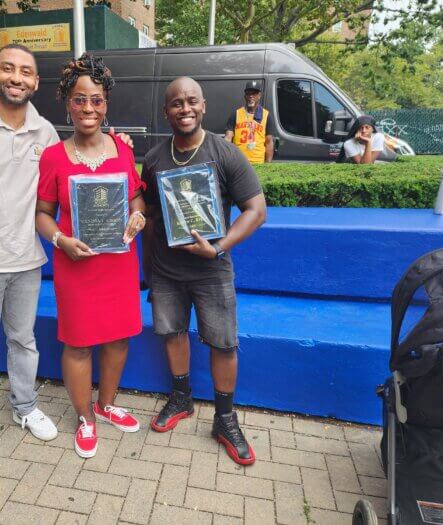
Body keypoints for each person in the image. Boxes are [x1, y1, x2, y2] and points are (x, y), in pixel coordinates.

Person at [0, 44, 134, 471]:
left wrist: (120, 144)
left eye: (25, 72)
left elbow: (108, 177)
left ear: (37, 83)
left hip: (25, 261)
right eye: (8, 69)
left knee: (24, 343)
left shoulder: (44, 133)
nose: (16, 78)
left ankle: (24, 407)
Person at [142, 77, 267, 465]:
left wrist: (217, 248)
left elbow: (256, 210)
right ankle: (181, 398)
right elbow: (144, 207)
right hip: (165, 270)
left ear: (204, 106)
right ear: (166, 111)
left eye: (191, 101)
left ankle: (225, 418)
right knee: (173, 333)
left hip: (212, 268)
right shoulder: (154, 158)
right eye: (176, 103)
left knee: (224, 342)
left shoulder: (226, 153)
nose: (184, 109)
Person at [35, 54, 146, 459]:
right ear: (67, 102)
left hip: (117, 263)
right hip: (76, 264)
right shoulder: (53, 157)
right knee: (79, 344)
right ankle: (85, 416)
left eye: (96, 100)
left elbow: (136, 198)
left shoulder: (122, 149)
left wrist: (138, 216)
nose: (88, 108)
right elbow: (42, 215)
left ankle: (107, 403)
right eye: (80, 99)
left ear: (106, 105)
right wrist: (62, 240)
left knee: (118, 338)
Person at [224, 80, 274, 164]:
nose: (251, 96)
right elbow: (228, 138)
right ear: (245, 96)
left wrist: (268, 165)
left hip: (258, 163)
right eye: (248, 93)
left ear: (259, 95)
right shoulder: (236, 114)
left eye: (254, 93)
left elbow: (269, 142)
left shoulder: (266, 115)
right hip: (239, 162)